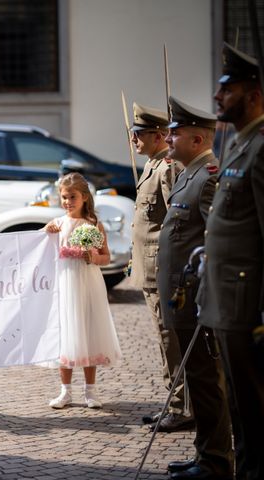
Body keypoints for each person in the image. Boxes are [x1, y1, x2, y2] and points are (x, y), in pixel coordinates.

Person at [157, 96, 233, 480]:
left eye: (175, 132)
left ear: (198, 141)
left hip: (197, 303)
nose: (168, 138)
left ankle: (216, 462)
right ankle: (206, 454)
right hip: (181, 301)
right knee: (199, 382)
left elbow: (217, 245)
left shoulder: (209, 178)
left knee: (207, 384)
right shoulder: (188, 174)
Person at [199, 42, 264, 480]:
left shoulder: (260, 149)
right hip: (227, 299)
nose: (218, 98)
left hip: (248, 306)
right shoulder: (241, 147)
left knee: (256, 406)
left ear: (254, 94)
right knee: (240, 405)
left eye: (229, 90)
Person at [128, 102, 192, 432]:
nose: (133, 140)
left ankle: (182, 407)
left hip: (161, 268)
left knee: (171, 338)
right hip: (149, 267)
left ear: (157, 136)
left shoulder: (166, 168)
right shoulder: (153, 164)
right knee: (162, 336)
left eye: (138, 134)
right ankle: (174, 401)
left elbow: (173, 221)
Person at [43, 173, 122, 409]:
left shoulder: (93, 225)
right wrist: (46, 231)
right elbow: (42, 249)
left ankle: (91, 391)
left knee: (88, 330)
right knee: (65, 332)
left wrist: (94, 256)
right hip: (65, 282)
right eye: (64, 197)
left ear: (85, 197)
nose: (68, 202)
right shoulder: (58, 224)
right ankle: (65, 391)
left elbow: (107, 257)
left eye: (72, 197)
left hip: (88, 283)